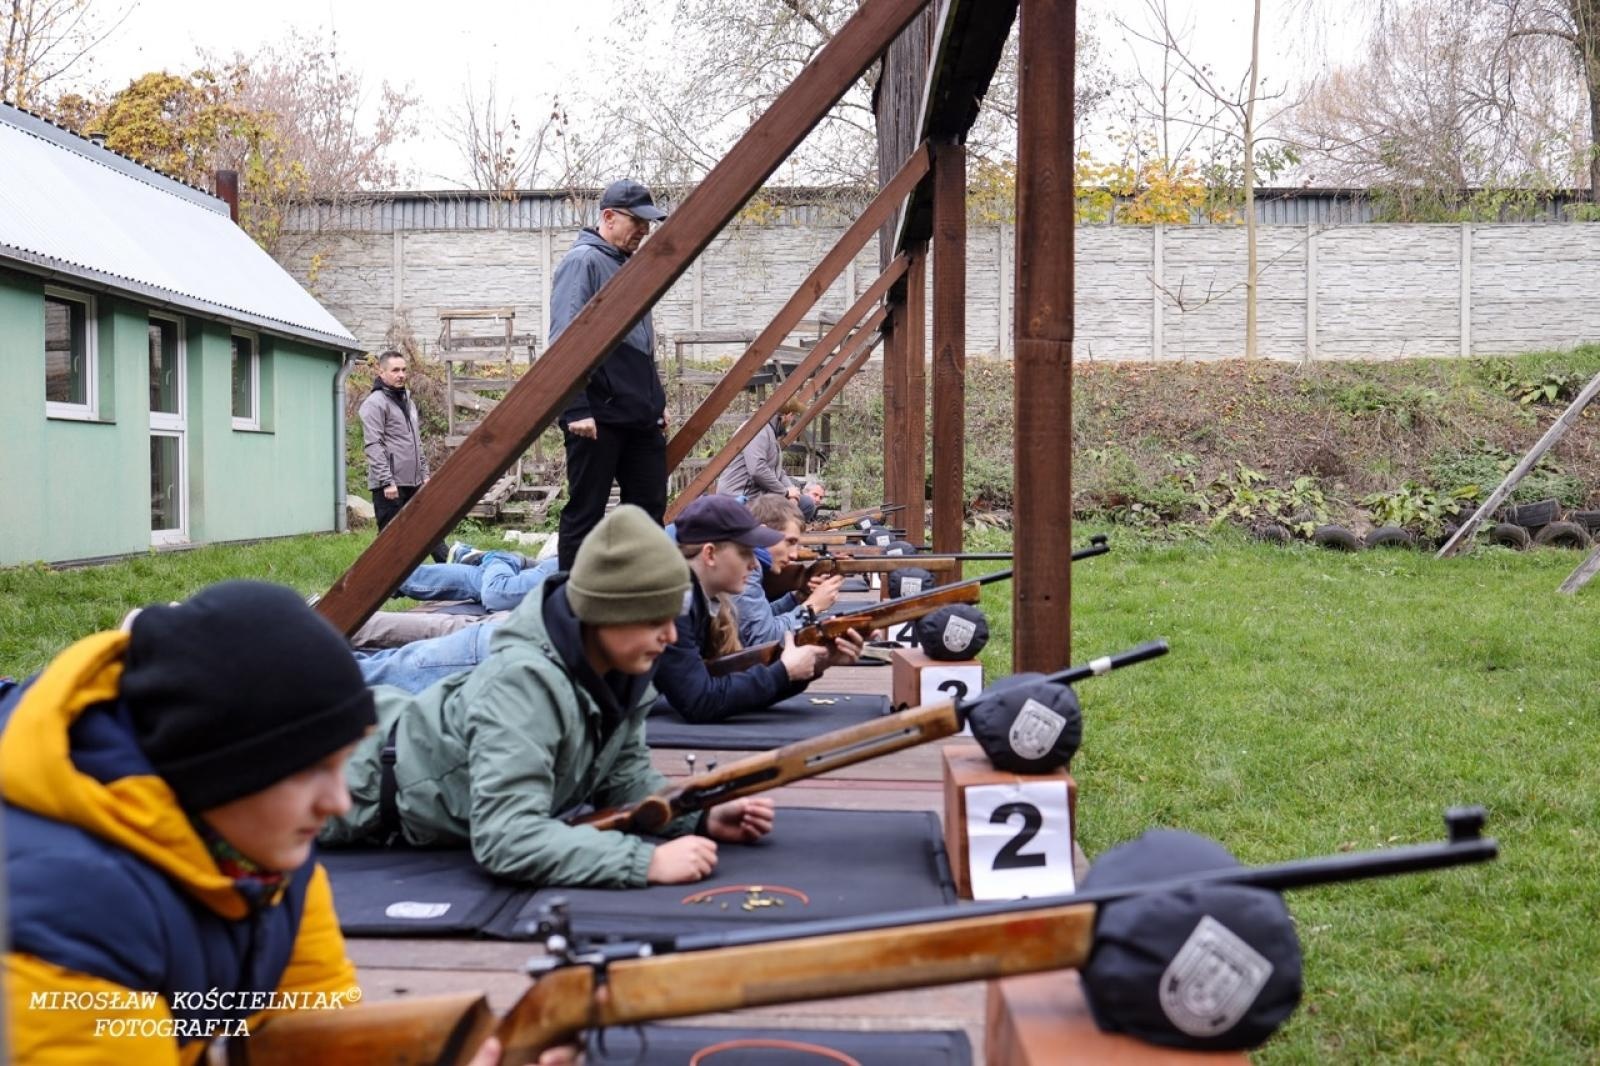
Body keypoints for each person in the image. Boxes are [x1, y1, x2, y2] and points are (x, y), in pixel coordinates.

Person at [3, 582, 380, 1063]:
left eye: (342, 763)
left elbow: (320, 1036)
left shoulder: (263, 861)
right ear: (220, 768)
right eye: (310, 769)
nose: (340, 802)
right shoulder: (66, 911)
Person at [321, 506, 773, 888]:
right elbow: (507, 839)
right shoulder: (523, 683)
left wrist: (696, 815)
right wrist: (643, 862)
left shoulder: (622, 673)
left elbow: (625, 779)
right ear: (606, 614)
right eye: (655, 618)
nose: (671, 635)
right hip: (336, 777)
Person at [652, 495, 863, 724]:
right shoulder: (675, 603)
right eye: (745, 552)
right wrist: (783, 672)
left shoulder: (698, 598)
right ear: (710, 554)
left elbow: (723, 687)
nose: (754, 564)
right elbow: (700, 701)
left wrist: (817, 661)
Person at [552, 179, 671, 571]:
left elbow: (642, 343)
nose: (644, 231)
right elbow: (564, 336)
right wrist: (574, 407)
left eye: (648, 224)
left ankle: (638, 600)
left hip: (638, 414)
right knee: (586, 513)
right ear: (608, 217)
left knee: (648, 511)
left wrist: (657, 400)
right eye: (637, 222)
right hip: (597, 416)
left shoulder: (628, 264)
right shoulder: (584, 260)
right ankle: (570, 611)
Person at [359, 350, 447, 563]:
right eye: (395, 370)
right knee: (391, 542)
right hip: (390, 487)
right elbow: (374, 445)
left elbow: (416, 441)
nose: (401, 374)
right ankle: (383, 585)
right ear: (381, 372)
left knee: (431, 532)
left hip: (414, 481)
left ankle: (453, 573)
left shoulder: (407, 400)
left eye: (404, 370)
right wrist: (387, 481)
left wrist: (424, 474)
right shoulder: (374, 403)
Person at [733, 493, 843, 648]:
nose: (794, 554)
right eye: (789, 542)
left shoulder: (747, 562)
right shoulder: (746, 569)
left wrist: (798, 598)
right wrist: (811, 607)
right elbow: (764, 638)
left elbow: (760, 620)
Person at [716, 398, 806, 503]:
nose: (791, 422)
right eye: (793, 417)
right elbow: (757, 470)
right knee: (804, 506)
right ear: (789, 416)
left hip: (755, 495)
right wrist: (785, 492)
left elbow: (778, 472)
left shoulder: (770, 432)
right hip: (739, 497)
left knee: (804, 503)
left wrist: (793, 491)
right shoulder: (757, 430)